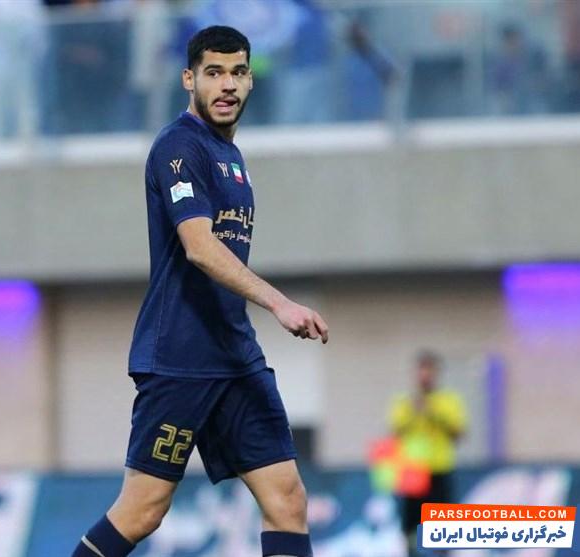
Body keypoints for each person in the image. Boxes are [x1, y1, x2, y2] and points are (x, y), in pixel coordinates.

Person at [70, 25, 329, 557]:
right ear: (189, 79)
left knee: (287, 500)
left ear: (250, 81)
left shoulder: (231, 156)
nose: (227, 84)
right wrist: (279, 302)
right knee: (144, 509)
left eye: (238, 73)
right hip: (180, 358)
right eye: (214, 72)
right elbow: (199, 247)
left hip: (235, 356)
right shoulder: (178, 146)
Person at [388, 350, 467, 556]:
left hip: (440, 469)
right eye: (421, 370)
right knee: (411, 524)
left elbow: (458, 432)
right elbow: (395, 431)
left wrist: (433, 412)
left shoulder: (448, 400)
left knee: (442, 523)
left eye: (429, 370)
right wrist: (414, 412)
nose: (425, 376)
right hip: (413, 472)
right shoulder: (405, 402)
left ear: (436, 373)